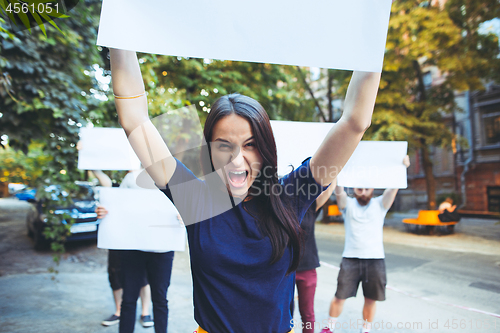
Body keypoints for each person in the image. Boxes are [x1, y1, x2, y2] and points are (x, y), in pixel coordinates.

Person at [109, 47, 381, 333]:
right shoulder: (194, 198)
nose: (236, 160)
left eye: (250, 145)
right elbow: (135, 120)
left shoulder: (290, 194)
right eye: (223, 145)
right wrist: (120, 39)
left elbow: (354, 123)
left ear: (265, 150)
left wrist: (373, 39)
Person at [320, 156, 410, 333]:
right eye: (359, 188)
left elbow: (393, 189)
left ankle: (366, 330)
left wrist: (402, 168)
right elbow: (338, 190)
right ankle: (329, 328)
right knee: (340, 296)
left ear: (372, 190)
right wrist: (338, 170)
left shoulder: (380, 204)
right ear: (354, 188)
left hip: (375, 260)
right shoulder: (348, 205)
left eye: (366, 189)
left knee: (370, 299)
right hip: (350, 259)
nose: (362, 192)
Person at [96, 169, 174, 333]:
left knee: (160, 299)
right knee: (129, 299)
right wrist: (105, 211)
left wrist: (182, 216)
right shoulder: (131, 178)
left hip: (162, 249)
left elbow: (184, 207)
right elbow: (116, 206)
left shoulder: (173, 177)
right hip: (133, 247)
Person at [294, 183, 335, 333]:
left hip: (307, 267)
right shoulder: (279, 205)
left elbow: (330, 188)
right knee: (284, 312)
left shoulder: (310, 206)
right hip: (284, 268)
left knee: (308, 314)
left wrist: (335, 170)